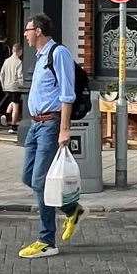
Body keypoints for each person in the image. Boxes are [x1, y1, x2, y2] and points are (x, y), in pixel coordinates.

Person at [18, 13, 85, 259]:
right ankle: (71, 209)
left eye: (27, 30)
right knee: (28, 177)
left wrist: (64, 129)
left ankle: (47, 240)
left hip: (50, 124)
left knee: (39, 181)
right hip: (36, 125)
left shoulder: (59, 53)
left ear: (38, 30)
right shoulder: (39, 57)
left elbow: (67, 94)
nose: (24, 34)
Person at [0, 42, 26, 130]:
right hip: (16, 87)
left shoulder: (6, 61)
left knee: (12, 102)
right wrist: (23, 86)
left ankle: (5, 115)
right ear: (20, 51)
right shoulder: (19, 62)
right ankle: (13, 125)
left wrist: (3, 85)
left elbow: (1, 74)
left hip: (7, 86)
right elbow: (20, 76)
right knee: (16, 105)